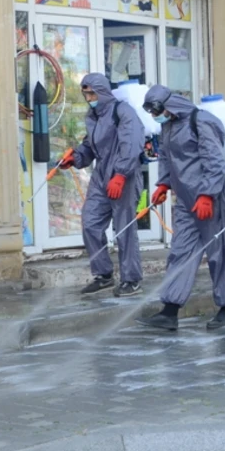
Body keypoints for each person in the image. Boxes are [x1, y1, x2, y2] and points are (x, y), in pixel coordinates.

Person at [135, 85, 225, 331]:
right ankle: (170, 311)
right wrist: (163, 183)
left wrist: (207, 194)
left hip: (210, 197)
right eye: (151, 112)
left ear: (170, 104)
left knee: (219, 252)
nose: (154, 116)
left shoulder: (201, 121)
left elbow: (214, 160)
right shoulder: (168, 126)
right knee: (180, 251)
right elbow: (165, 157)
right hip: (185, 199)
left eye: (156, 110)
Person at [59, 73, 144, 298]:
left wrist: (121, 174)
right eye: (85, 93)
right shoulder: (93, 115)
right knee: (90, 222)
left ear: (103, 91)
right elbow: (90, 145)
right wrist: (75, 158)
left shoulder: (123, 112)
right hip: (101, 175)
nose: (88, 97)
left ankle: (132, 279)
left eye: (92, 92)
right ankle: (104, 274)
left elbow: (132, 144)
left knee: (123, 228)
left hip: (124, 176)